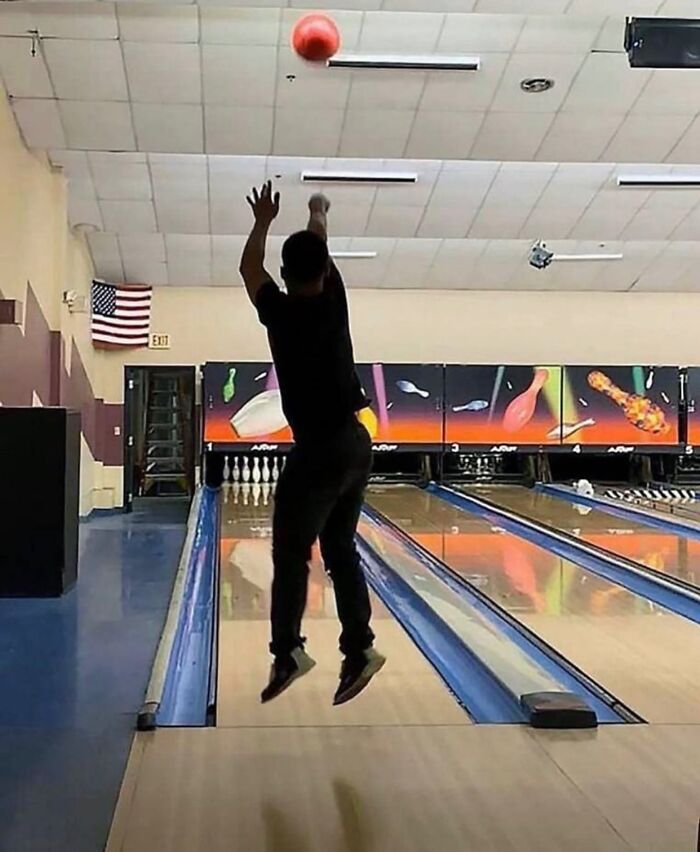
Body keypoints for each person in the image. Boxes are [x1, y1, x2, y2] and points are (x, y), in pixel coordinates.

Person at [239, 180, 385, 706]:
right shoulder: (335, 301)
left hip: (317, 450)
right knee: (341, 548)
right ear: (326, 272)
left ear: (285, 275)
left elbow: (247, 269)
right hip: (355, 443)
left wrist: (263, 220)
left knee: (290, 552)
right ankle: (360, 648)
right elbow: (318, 238)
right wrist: (316, 208)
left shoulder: (278, 312)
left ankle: (288, 652)